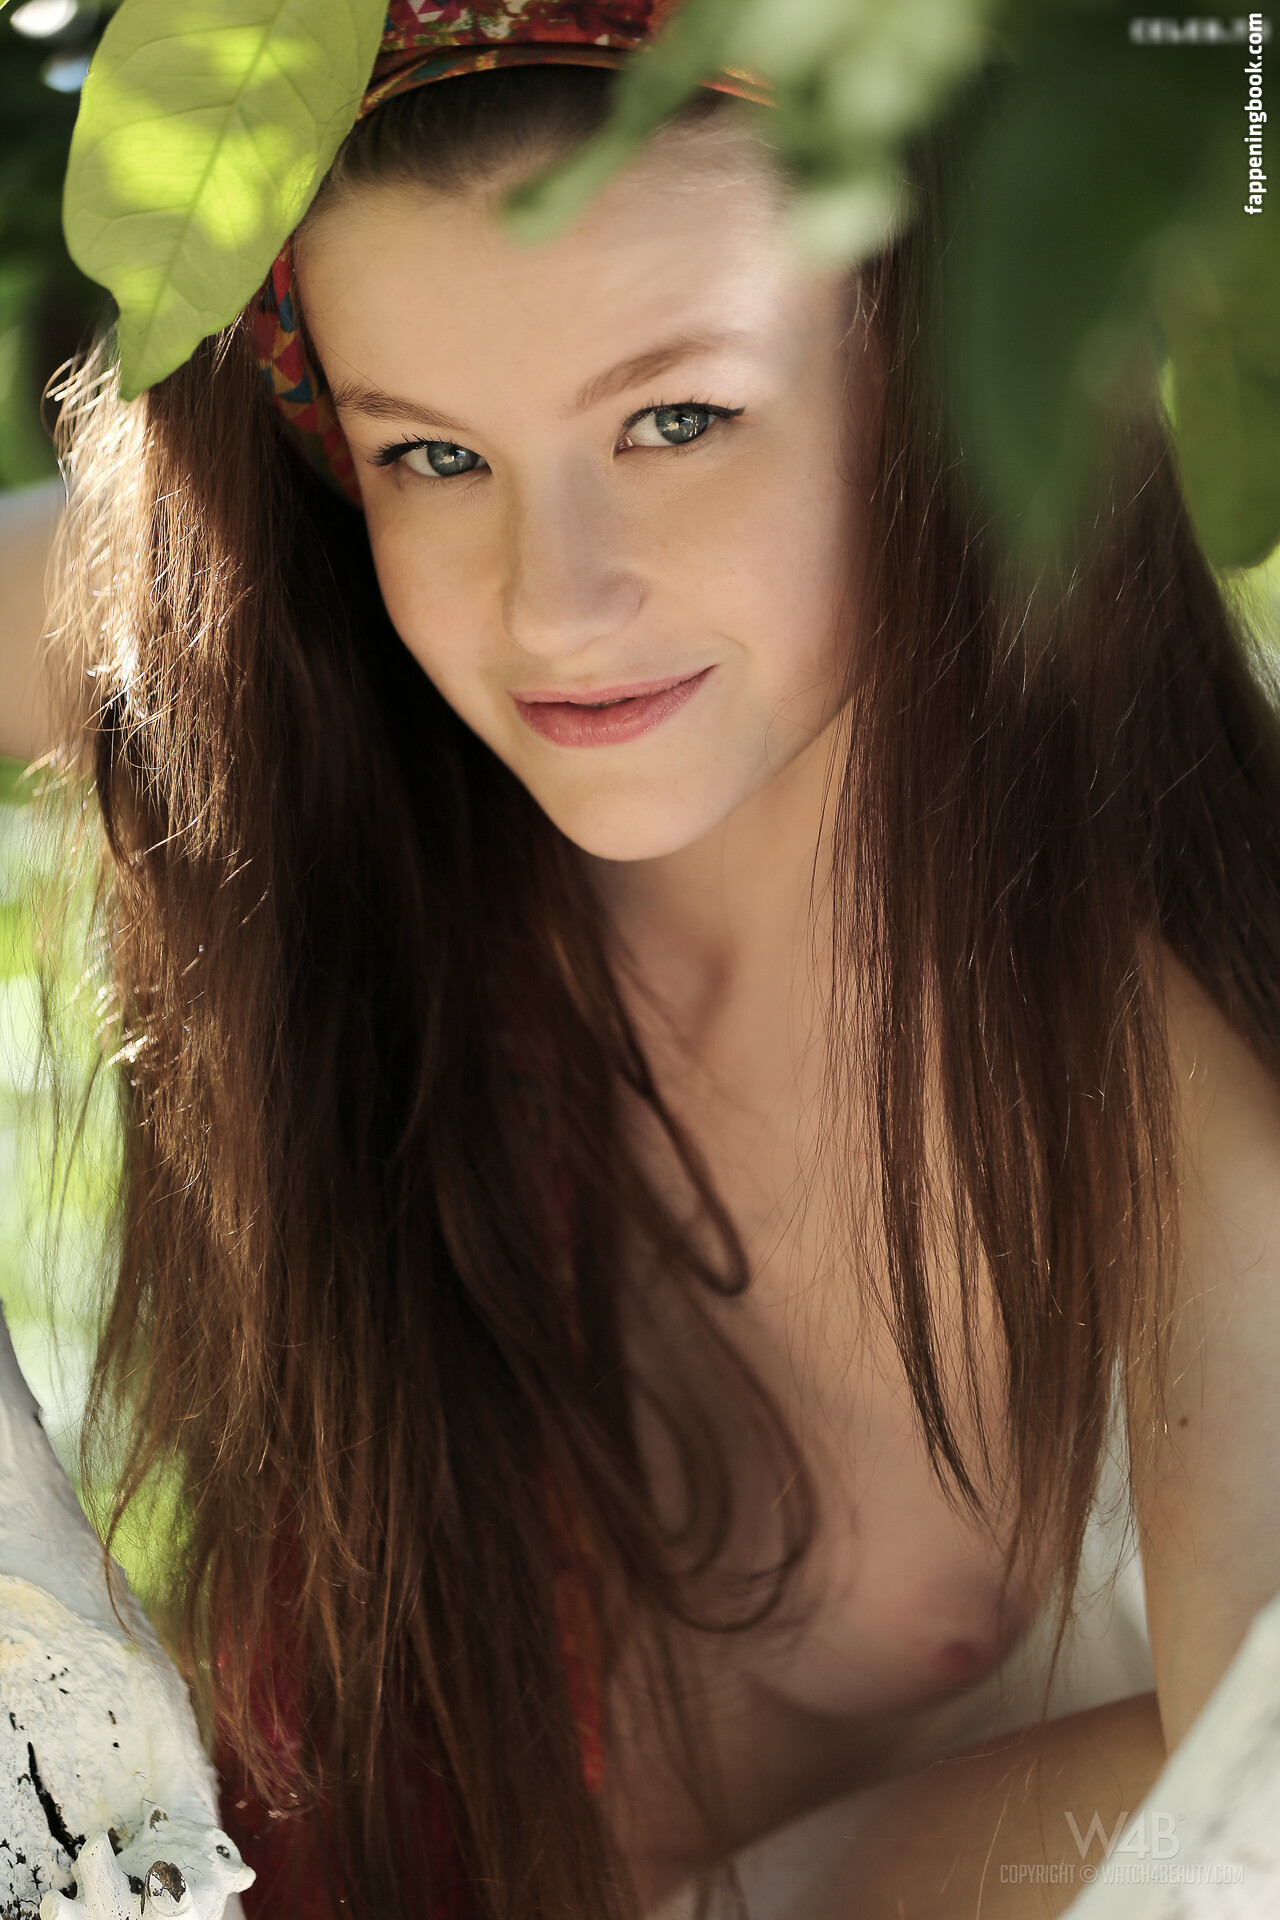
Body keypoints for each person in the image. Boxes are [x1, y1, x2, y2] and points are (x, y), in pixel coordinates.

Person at [6, 1, 1280, 1914]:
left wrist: (768, 1893)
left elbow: (1256, 1802)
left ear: (950, 382)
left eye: (676, 419)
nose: (557, 602)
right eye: (436, 455)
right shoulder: (303, 709)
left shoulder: (1168, 1109)